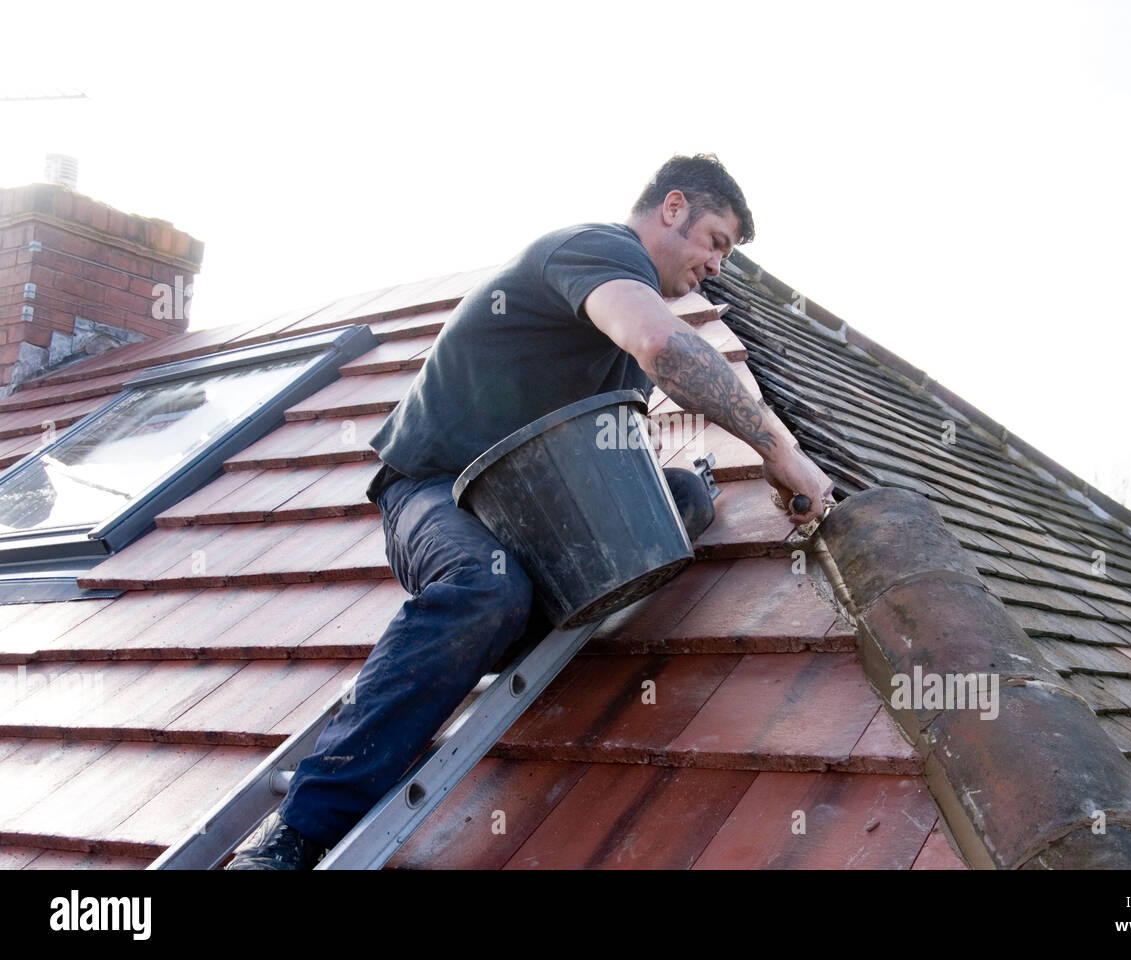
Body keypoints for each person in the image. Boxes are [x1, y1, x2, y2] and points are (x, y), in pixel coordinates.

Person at [226, 153, 835, 869]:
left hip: (533, 498)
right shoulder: (597, 252)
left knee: (684, 500)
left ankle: (506, 623)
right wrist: (778, 450)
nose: (716, 266)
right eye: (716, 242)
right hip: (435, 487)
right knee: (488, 589)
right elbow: (664, 344)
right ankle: (295, 835)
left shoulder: (617, 318)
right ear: (672, 208)